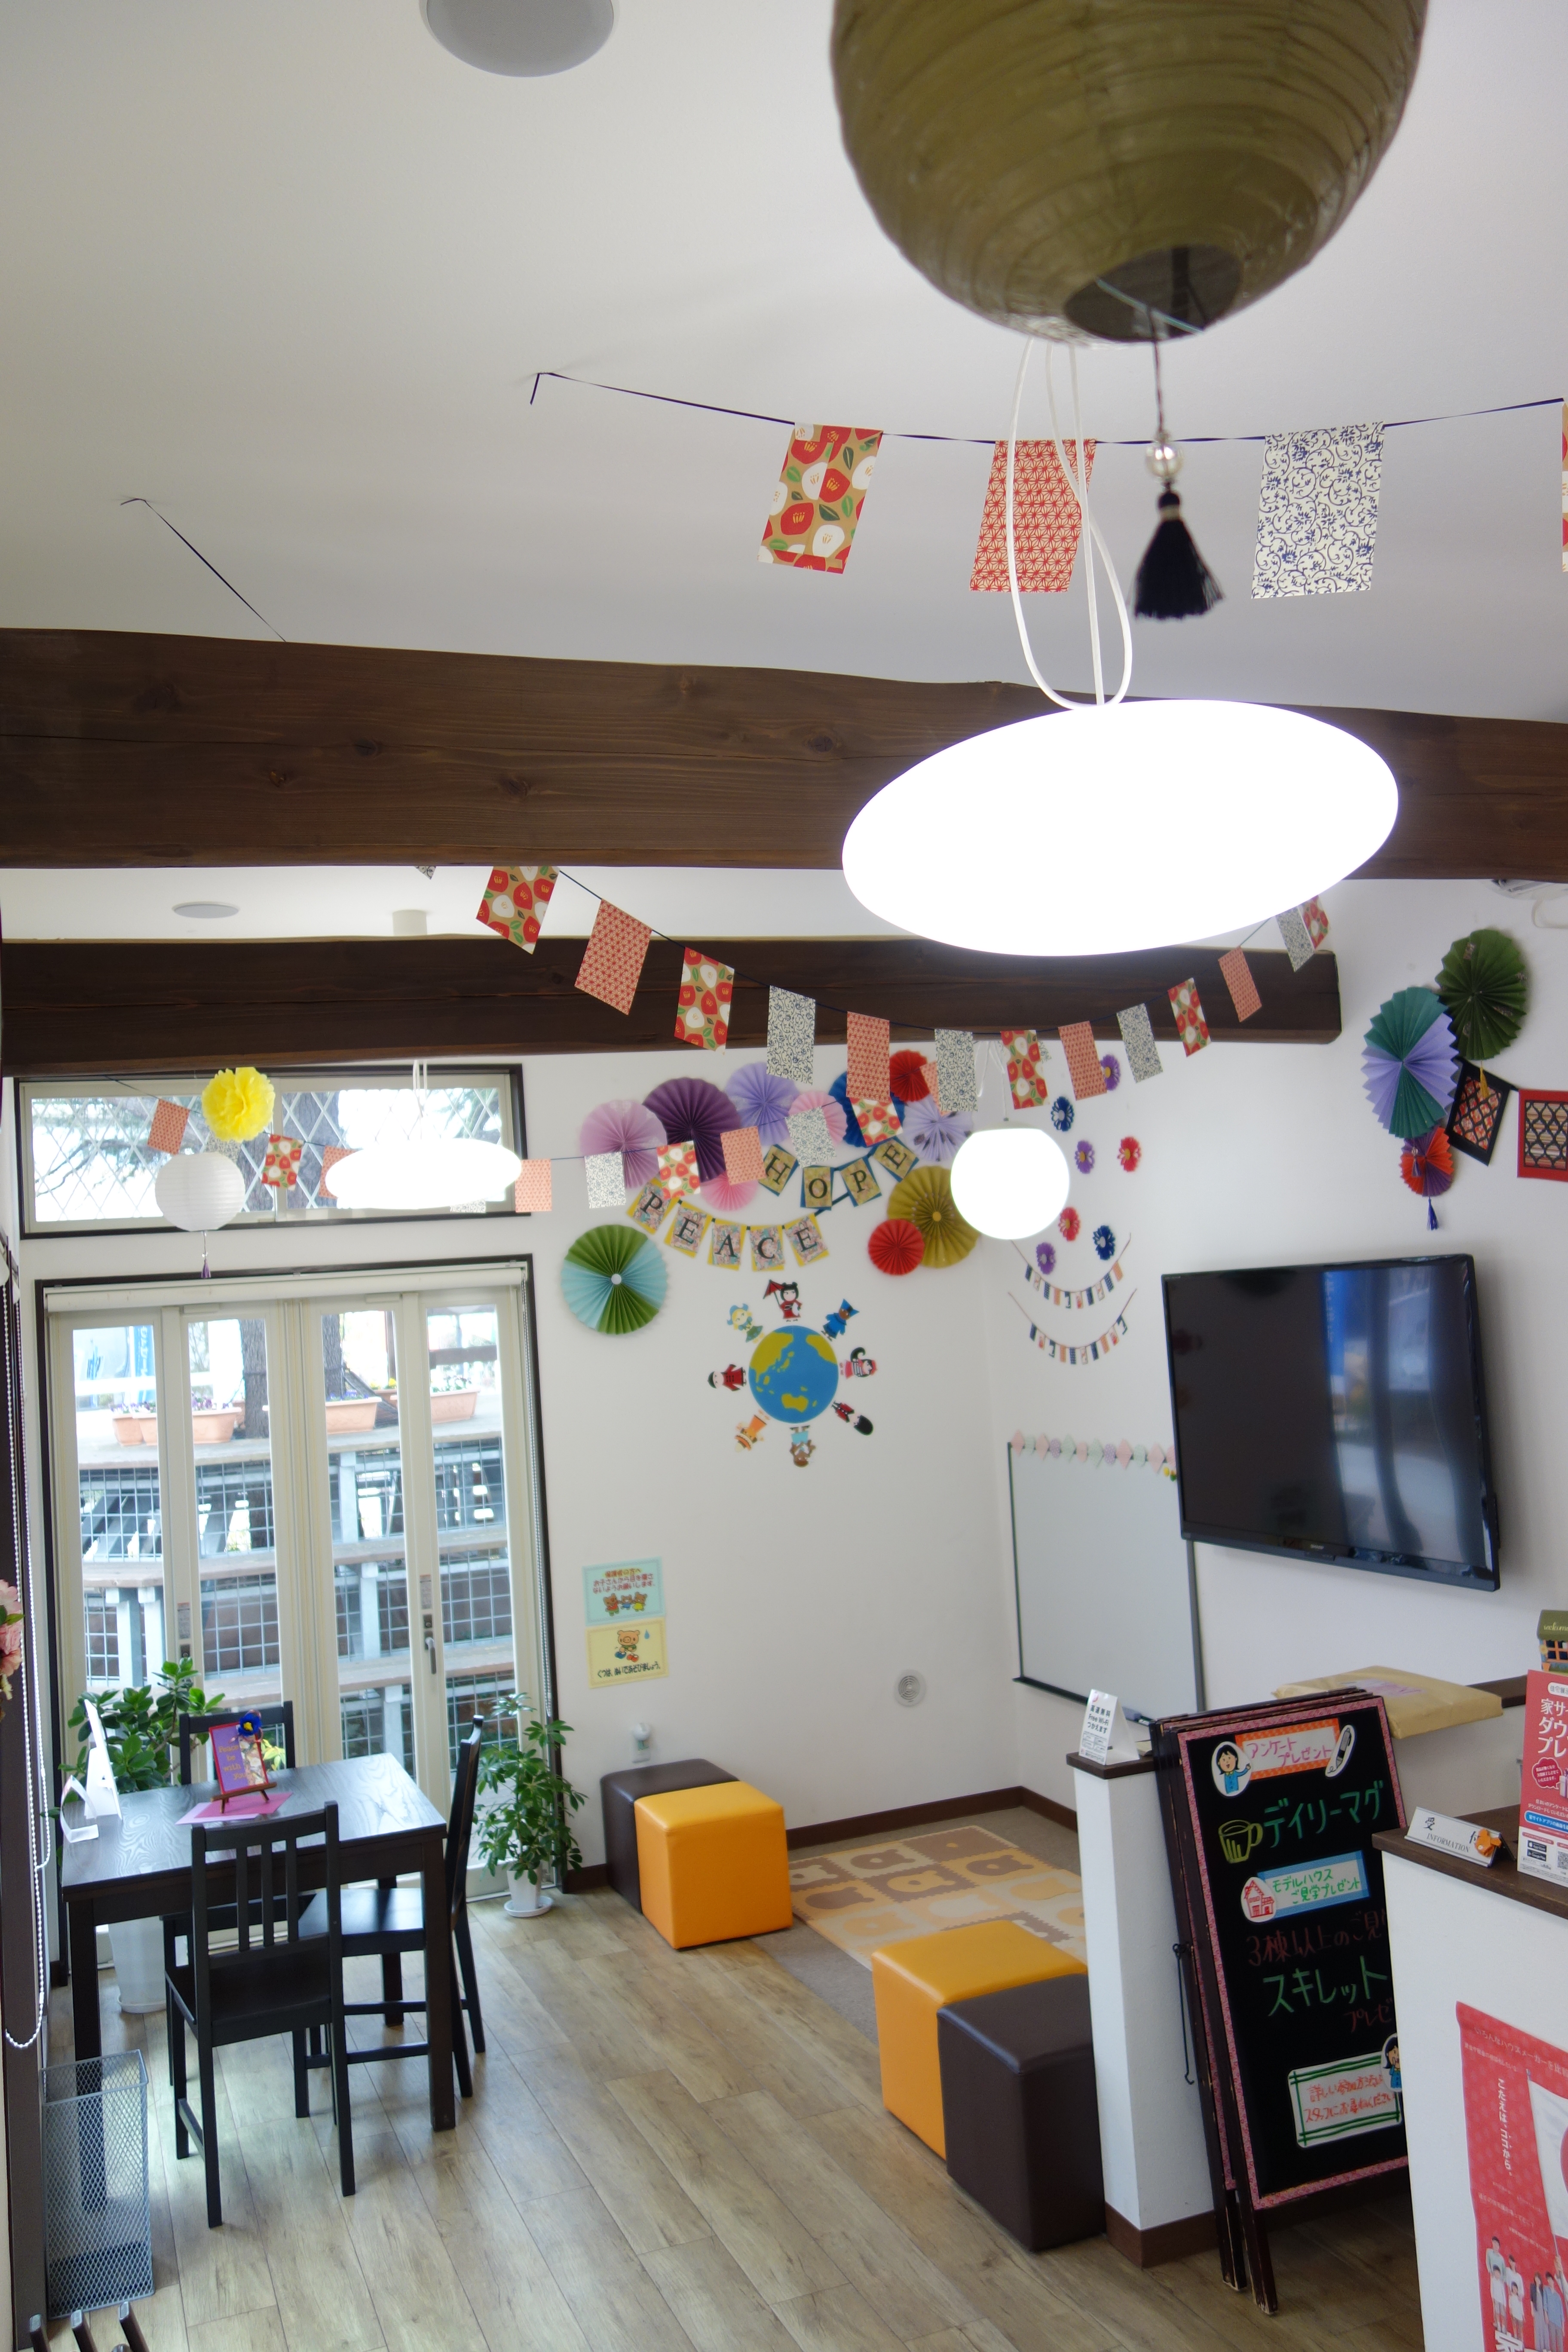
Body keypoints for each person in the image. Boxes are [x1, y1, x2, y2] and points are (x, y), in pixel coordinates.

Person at [1487, 2238, 1508, 2341]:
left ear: (1499, 2247)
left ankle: (1503, 2324)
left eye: (1497, 2244)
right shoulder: (1489, 2253)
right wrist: (1491, 2272)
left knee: (1502, 2302)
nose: (1495, 2246)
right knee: (1494, 2299)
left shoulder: (1501, 2259)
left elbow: (1504, 2271)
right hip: (1493, 2278)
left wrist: (1503, 2279)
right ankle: (1497, 2322)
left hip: (1500, 2280)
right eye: (1494, 2243)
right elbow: (1488, 2263)